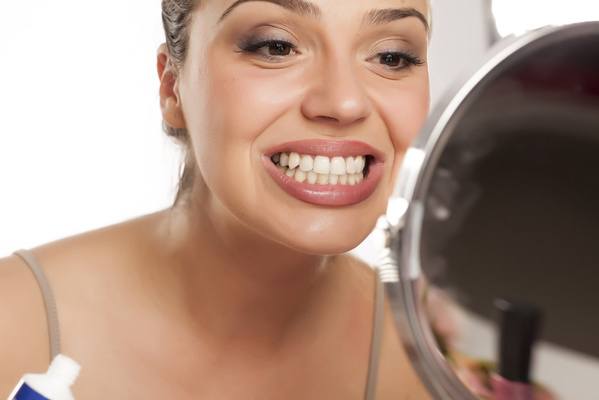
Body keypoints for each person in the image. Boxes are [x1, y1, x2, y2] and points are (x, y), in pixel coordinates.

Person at [0, 0, 432, 398]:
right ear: (172, 88)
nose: (344, 102)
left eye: (392, 56)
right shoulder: (12, 323)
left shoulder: (438, 362)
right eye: (276, 46)